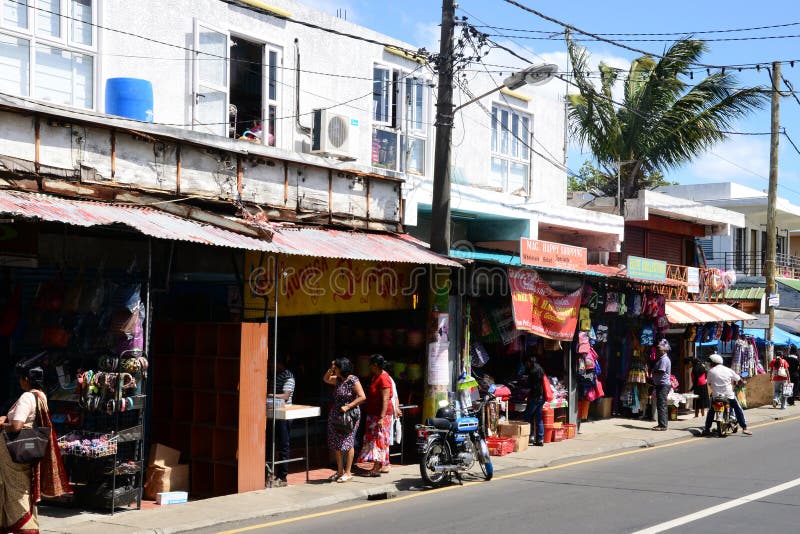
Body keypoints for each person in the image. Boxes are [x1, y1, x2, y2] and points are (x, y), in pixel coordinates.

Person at [0, 365, 71, 532]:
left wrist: (2, 424)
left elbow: (17, 425)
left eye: (21, 378)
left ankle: (25, 526)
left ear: (26, 380)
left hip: (13, 456)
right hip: (25, 453)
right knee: (22, 488)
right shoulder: (41, 396)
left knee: (16, 491)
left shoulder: (26, 396)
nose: (19, 381)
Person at [323, 358, 365, 483]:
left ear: (342, 368)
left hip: (350, 415)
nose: (334, 370)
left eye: (336, 367)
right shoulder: (338, 379)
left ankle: (348, 472)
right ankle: (339, 470)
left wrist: (348, 406)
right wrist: (331, 369)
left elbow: (362, 396)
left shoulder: (353, 380)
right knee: (337, 442)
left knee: (348, 442)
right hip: (337, 414)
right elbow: (325, 379)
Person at [357, 354, 394, 477]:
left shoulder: (384, 378)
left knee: (379, 439)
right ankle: (377, 465)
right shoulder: (375, 377)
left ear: (376, 365)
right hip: (373, 414)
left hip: (380, 415)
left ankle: (377, 468)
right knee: (373, 440)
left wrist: (381, 417)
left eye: (371, 365)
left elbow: (385, 399)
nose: (369, 367)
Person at [702, 353, 752, 436]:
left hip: (716, 396)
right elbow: (739, 380)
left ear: (713, 363)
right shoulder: (728, 370)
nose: (710, 364)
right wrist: (742, 383)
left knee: (711, 411)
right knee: (738, 409)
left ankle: (707, 428)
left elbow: (709, 383)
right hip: (729, 396)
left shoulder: (710, 371)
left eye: (710, 363)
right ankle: (744, 428)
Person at [267, 354, 295, 487]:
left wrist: (270, 395)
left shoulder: (288, 376)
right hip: (272, 412)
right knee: (270, 444)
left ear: (280, 363)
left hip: (284, 414)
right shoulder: (273, 374)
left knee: (283, 445)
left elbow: (285, 396)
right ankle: (269, 472)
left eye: (273, 362)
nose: (271, 365)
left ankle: (282, 476)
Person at [522, 356, 545, 446]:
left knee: (527, 417)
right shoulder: (540, 369)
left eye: (526, 363)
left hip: (534, 397)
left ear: (529, 362)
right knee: (539, 418)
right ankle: (540, 439)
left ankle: (529, 436)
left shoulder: (533, 371)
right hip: (541, 397)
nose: (526, 365)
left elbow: (529, 385)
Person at [651, 339, 672, 431]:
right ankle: (661, 424)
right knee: (660, 405)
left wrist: (652, 371)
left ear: (663, 350)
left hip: (663, 385)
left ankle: (663, 425)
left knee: (662, 405)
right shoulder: (661, 359)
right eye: (657, 350)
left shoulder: (664, 360)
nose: (658, 352)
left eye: (659, 350)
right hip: (661, 384)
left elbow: (661, 371)